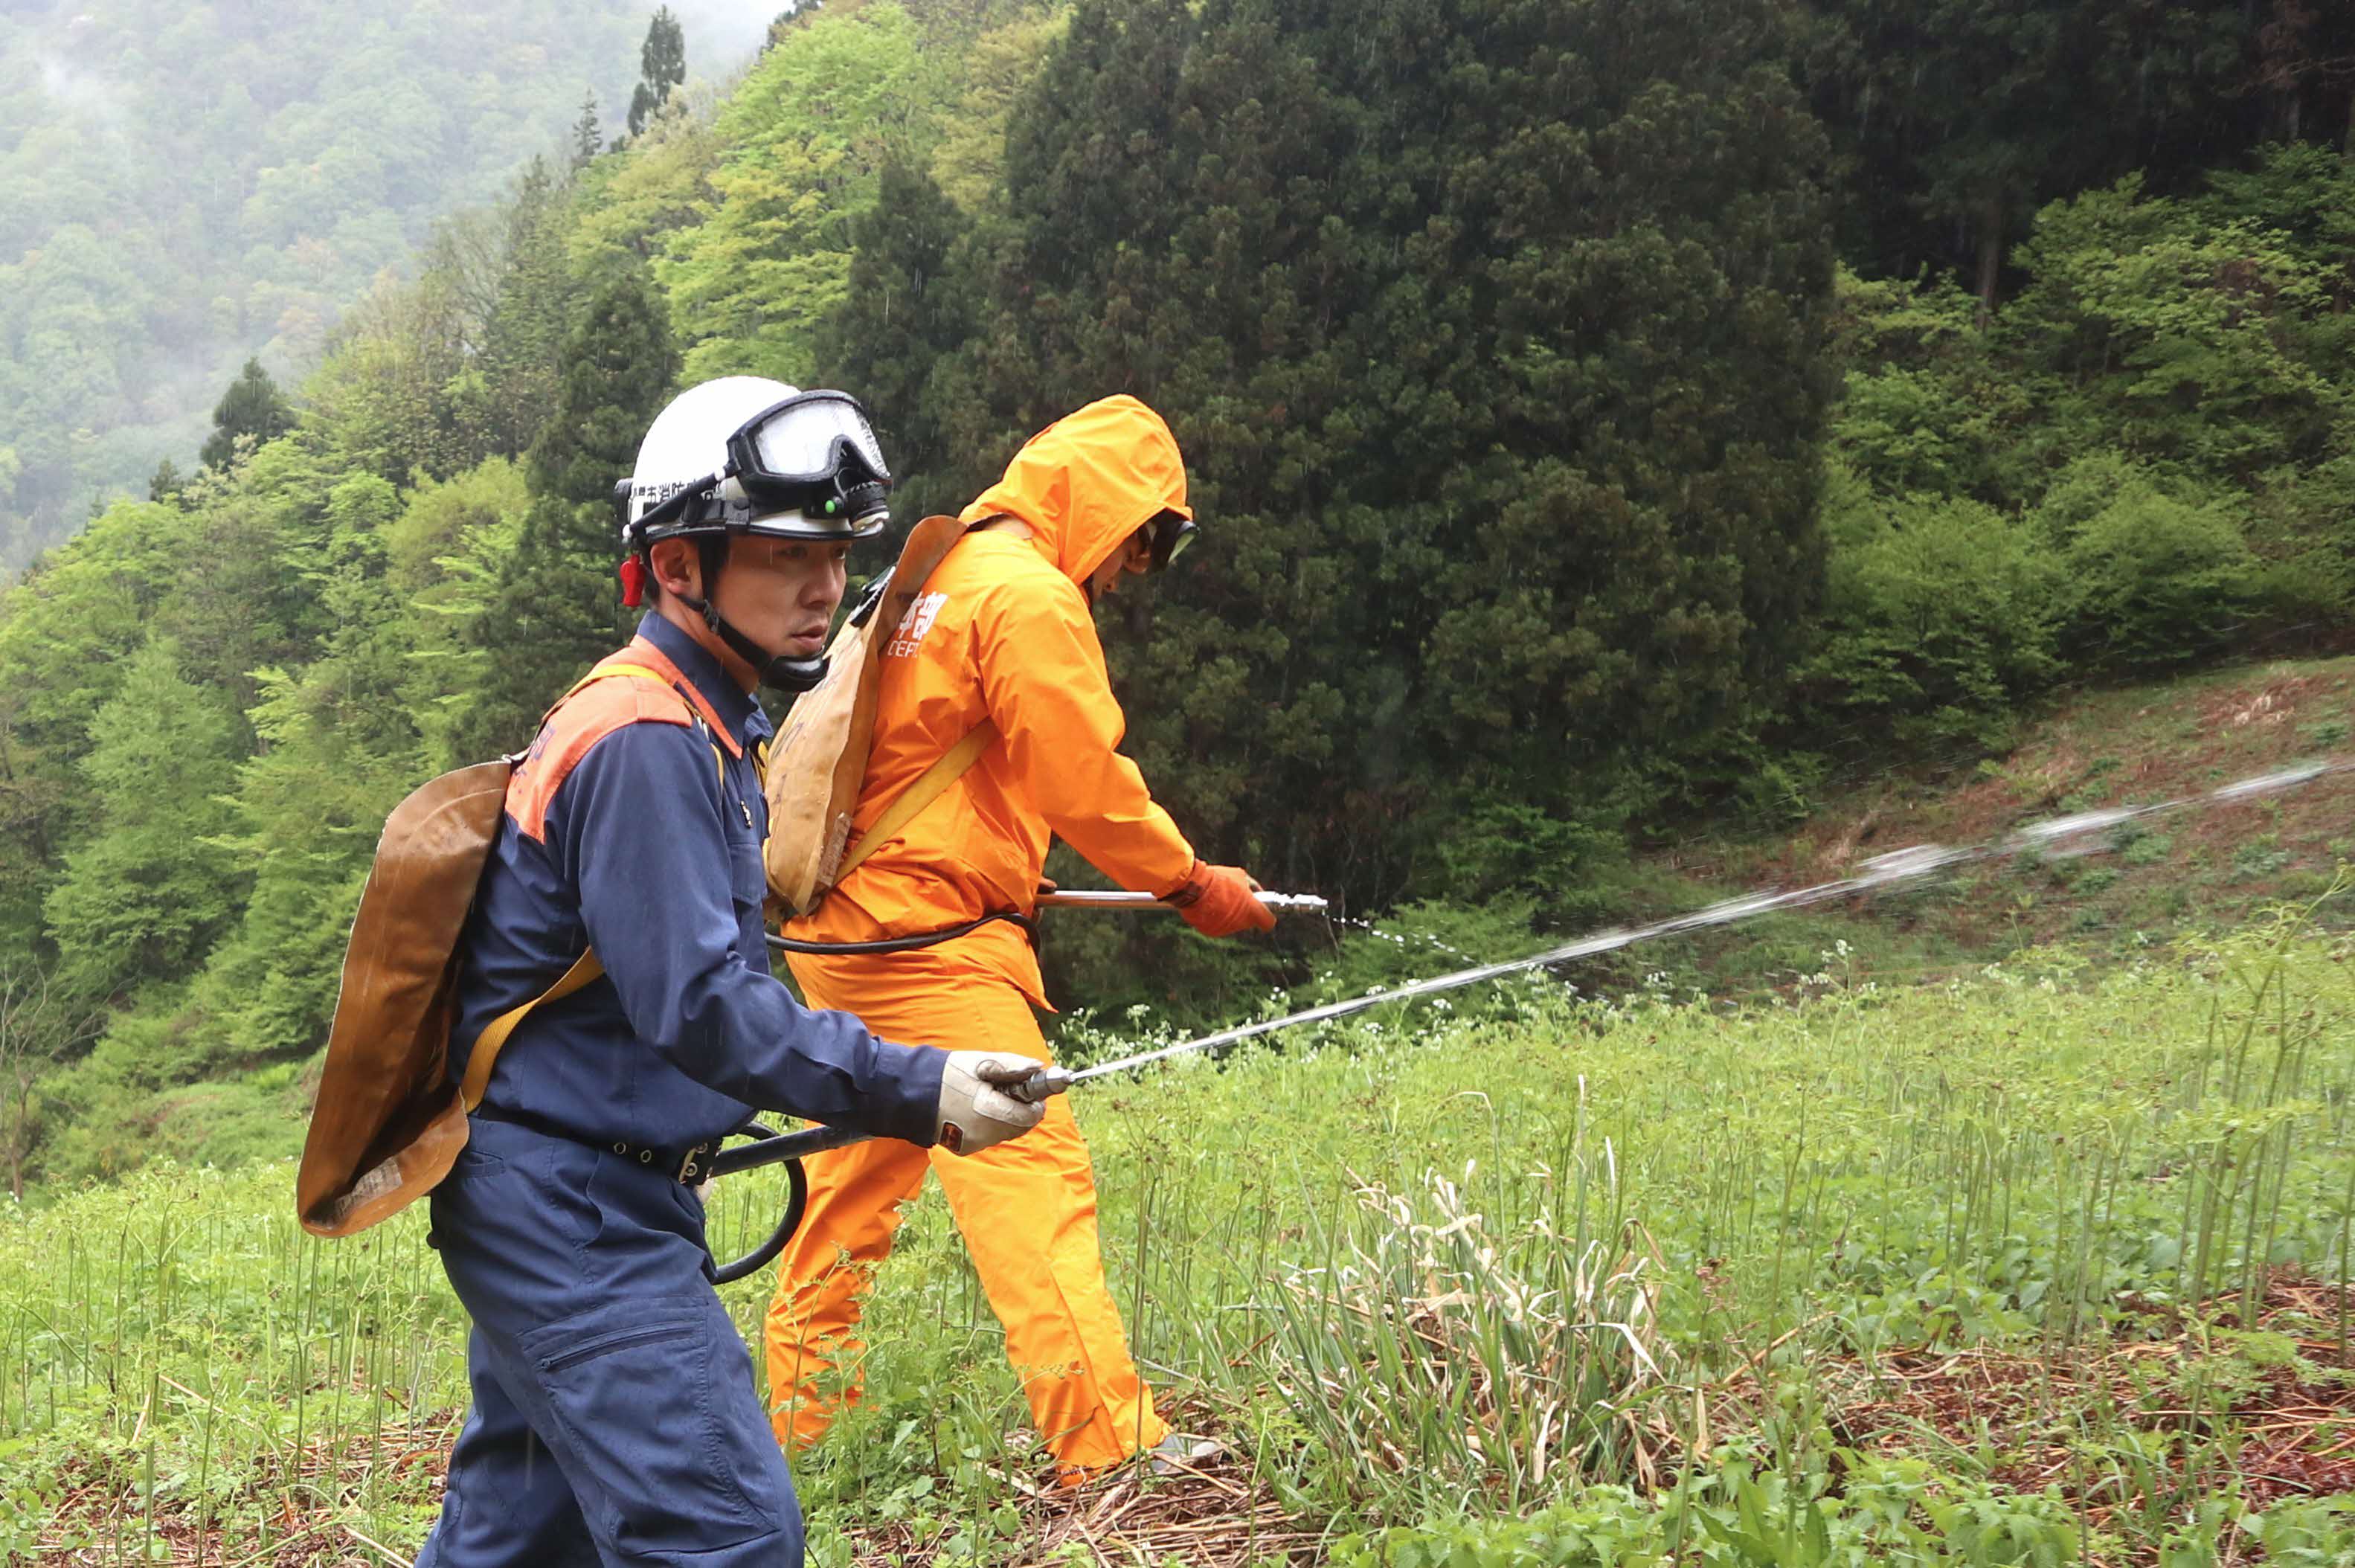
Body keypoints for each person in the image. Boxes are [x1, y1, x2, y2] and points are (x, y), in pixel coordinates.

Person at [414, 376, 1050, 1568]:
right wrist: (924, 1087)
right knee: (724, 1538)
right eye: (779, 555)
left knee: (517, 1542)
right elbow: (705, 1010)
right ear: (676, 566)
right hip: (573, 1215)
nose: (823, 588)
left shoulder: (698, 718)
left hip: (562, 1191)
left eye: (835, 555)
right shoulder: (648, 740)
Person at [762, 394, 1275, 1486]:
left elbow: (928, 766)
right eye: (1143, 545)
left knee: (858, 1175)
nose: (1131, 574)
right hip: (925, 943)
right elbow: (1082, 783)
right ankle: (1110, 1447)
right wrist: (1191, 884)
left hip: (845, 932)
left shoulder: (935, 578)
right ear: (1109, 506)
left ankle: (793, 1430)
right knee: (1028, 1169)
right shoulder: (1027, 596)